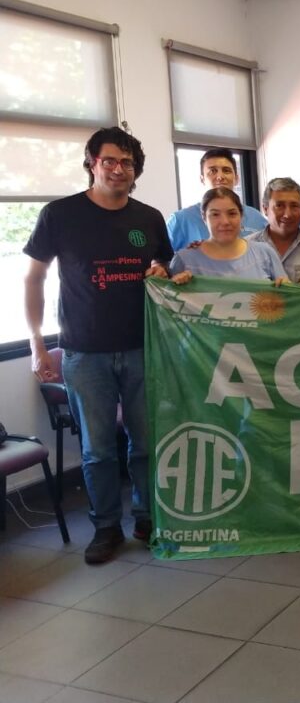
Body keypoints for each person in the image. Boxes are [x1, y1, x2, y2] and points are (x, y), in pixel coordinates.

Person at [24, 126, 173, 564]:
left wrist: (162, 270)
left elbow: (163, 265)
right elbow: (33, 278)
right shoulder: (60, 214)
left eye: (127, 163)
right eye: (109, 160)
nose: (119, 169)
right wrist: (36, 342)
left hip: (143, 348)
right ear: (92, 163)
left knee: (146, 443)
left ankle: (147, 519)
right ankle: (106, 527)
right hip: (84, 353)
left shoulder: (149, 218)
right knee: (98, 449)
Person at [170, 187, 286, 284]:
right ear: (204, 217)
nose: (225, 221)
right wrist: (176, 286)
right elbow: (167, 300)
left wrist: (286, 287)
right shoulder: (184, 260)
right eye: (215, 214)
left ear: (241, 215)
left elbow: (287, 297)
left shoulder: (265, 254)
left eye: (232, 213)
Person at [166, 149, 266, 249]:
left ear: (236, 178)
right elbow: (163, 257)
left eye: (226, 171)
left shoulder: (256, 218)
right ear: (202, 179)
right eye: (212, 171)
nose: (220, 177)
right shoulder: (180, 221)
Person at [246, 177, 300, 282]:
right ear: (265, 209)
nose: (287, 215)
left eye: (294, 206)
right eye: (279, 206)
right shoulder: (246, 248)